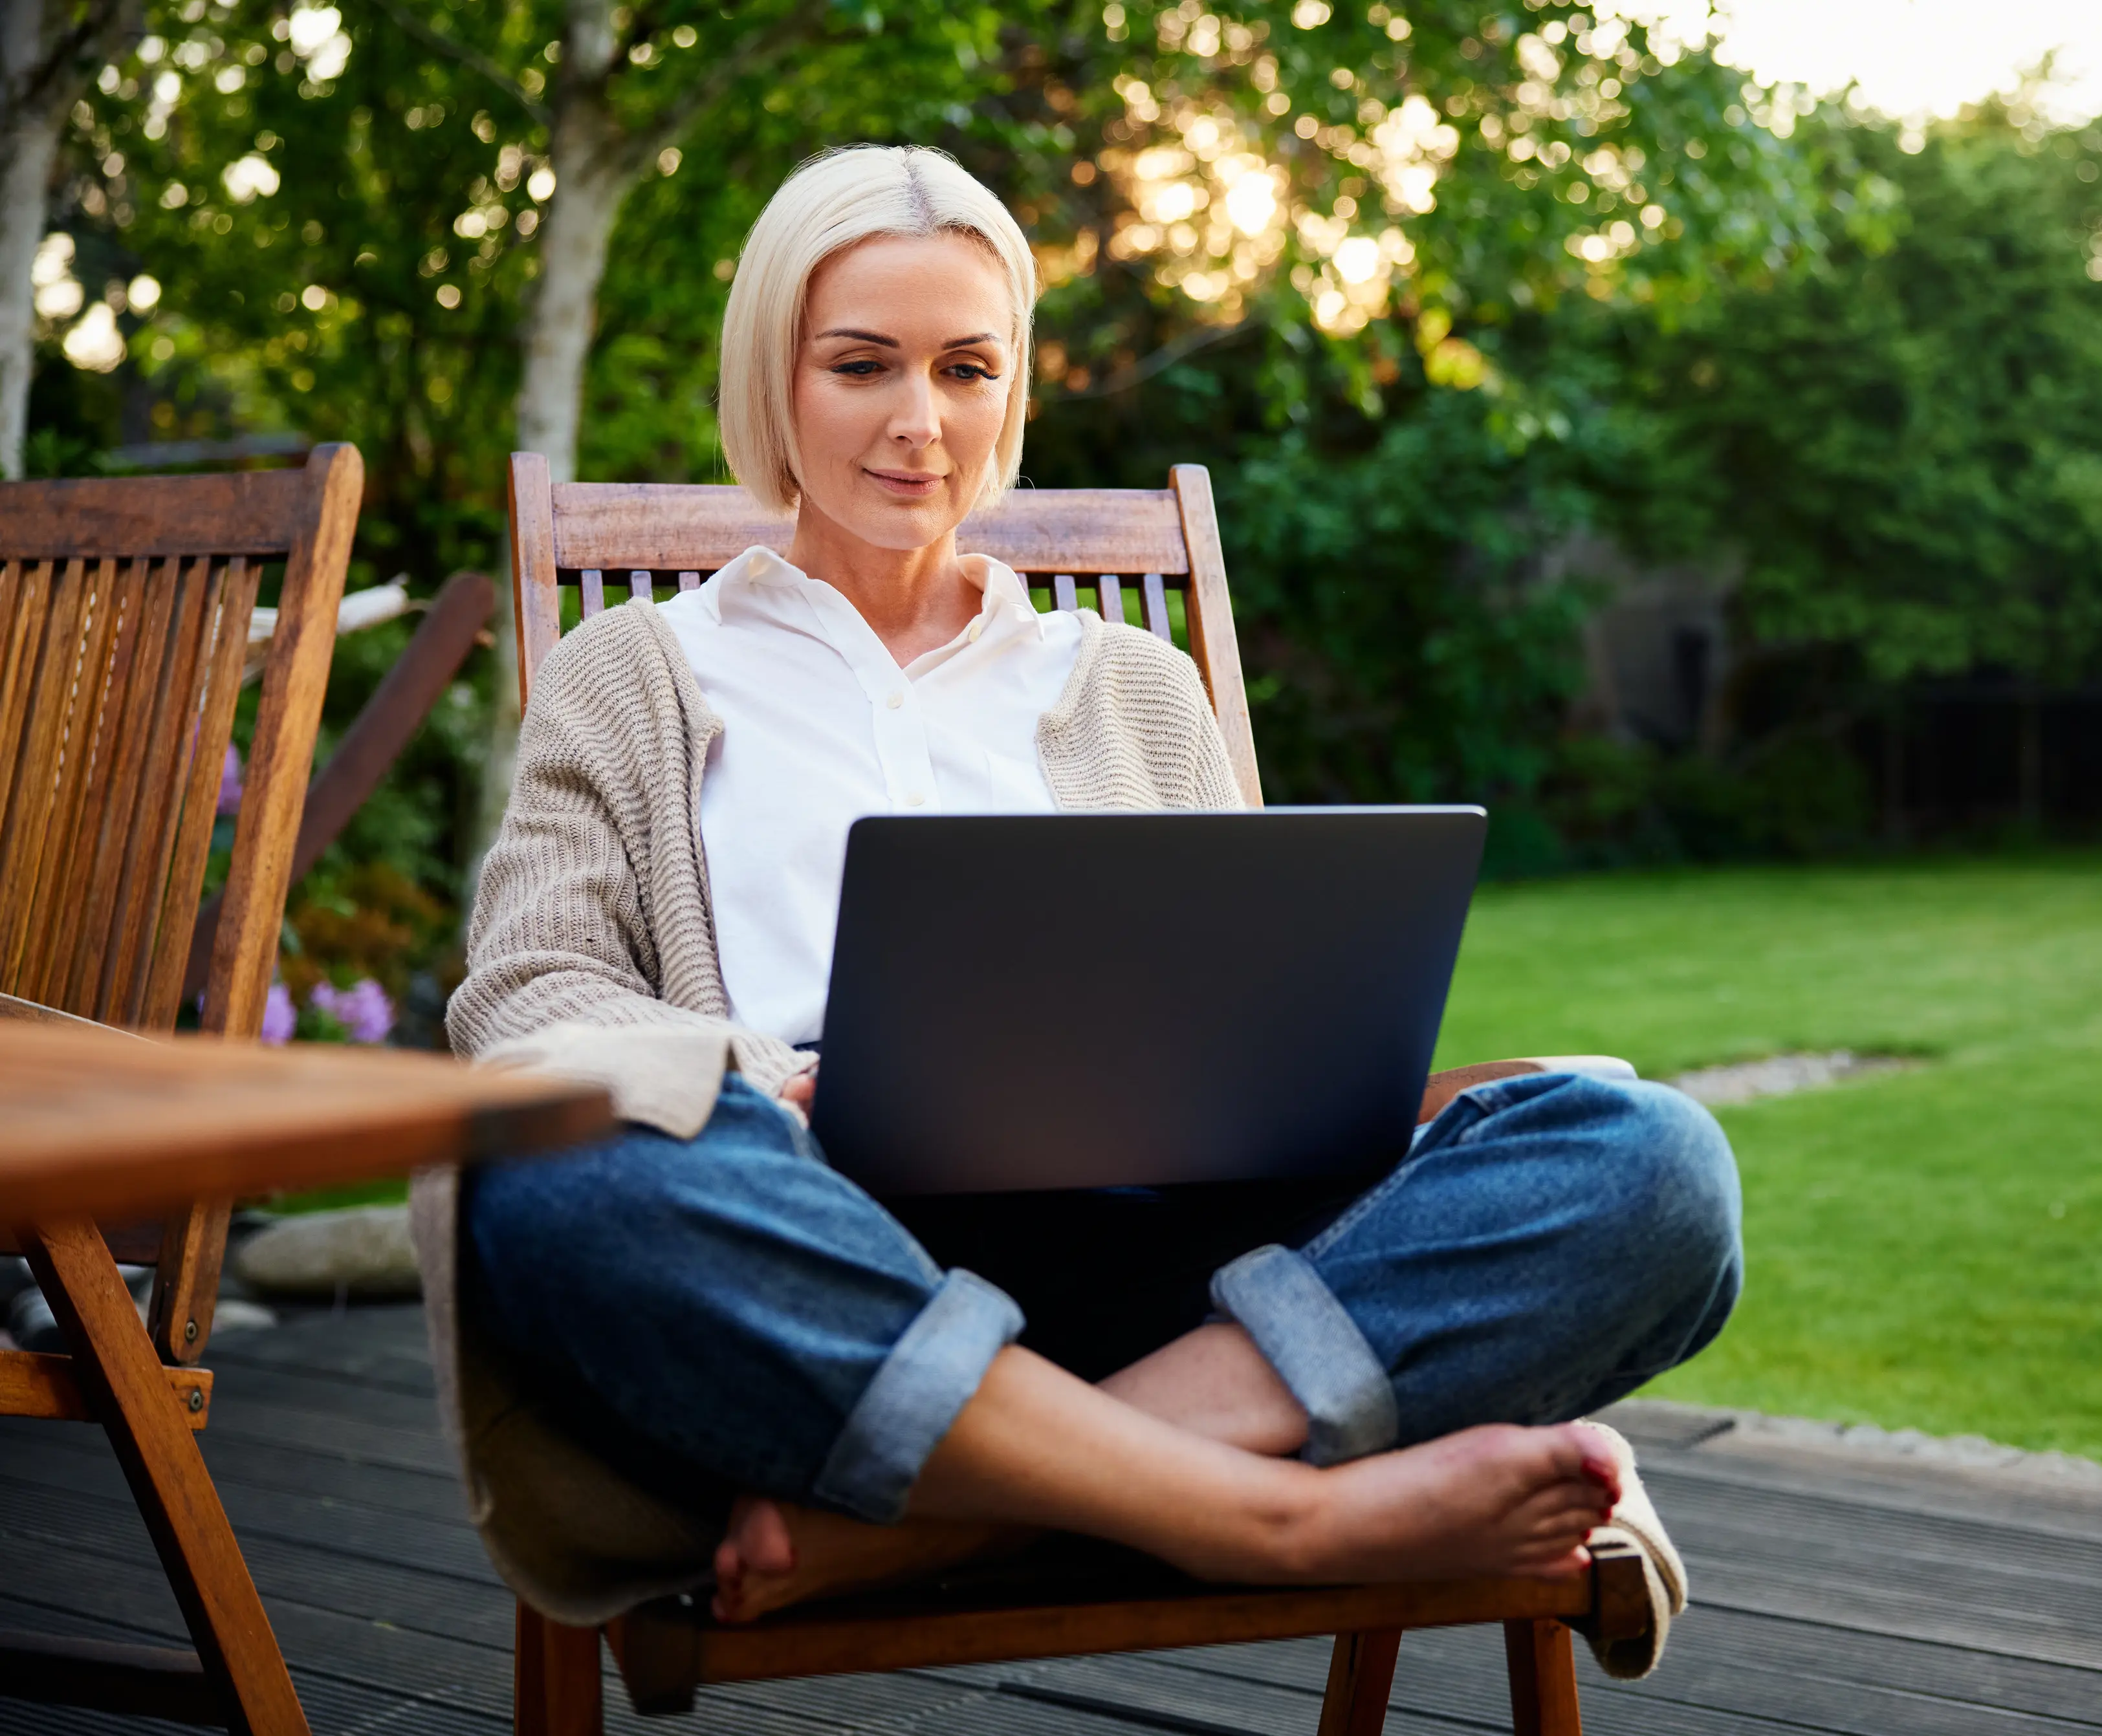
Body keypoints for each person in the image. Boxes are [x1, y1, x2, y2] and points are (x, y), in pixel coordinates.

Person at [440, 145, 1742, 1638]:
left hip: (1172, 1269)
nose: (919, 423)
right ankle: (1275, 1509)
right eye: (861, 365)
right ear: (773, 380)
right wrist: (763, 1079)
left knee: (1652, 1163)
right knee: (555, 1177)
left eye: (966, 368)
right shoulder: (641, 673)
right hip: (808, 1253)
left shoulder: (1128, 683)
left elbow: (1263, 1018)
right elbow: (529, 1008)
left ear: (1013, 389)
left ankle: (944, 1523)